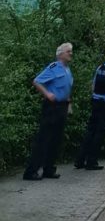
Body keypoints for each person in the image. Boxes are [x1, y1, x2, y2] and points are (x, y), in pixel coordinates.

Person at [23, 42, 74, 180]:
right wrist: (47, 94)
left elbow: (66, 88)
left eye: (71, 51)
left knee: (56, 140)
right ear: (60, 54)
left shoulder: (67, 69)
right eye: (68, 51)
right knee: (44, 139)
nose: (71, 53)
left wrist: (69, 104)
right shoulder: (53, 67)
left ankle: (49, 169)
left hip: (62, 106)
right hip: (52, 107)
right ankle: (31, 171)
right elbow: (37, 81)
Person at [74, 48, 105, 172]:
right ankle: (91, 162)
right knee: (100, 133)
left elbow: (93, 86)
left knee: (90, 130)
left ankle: (79, 160)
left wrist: (96, 98)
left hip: (95, 102)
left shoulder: (100, 68)